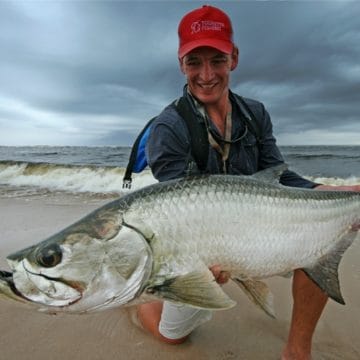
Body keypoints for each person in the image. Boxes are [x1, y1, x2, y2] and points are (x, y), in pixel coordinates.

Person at [132, 5, 360, 360]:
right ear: (181, 64)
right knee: (173, 336)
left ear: (233, 58)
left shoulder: (255, 113)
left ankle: (297, 351)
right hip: (204, 246)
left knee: (317, 241)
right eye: (194, 62)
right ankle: (143, 307)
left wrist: (337, 194)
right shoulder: (168, 129)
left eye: (217, 60)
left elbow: (281, 175)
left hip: (259, 228)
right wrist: (210, 260)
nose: (206, 75)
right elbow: (184, 214)